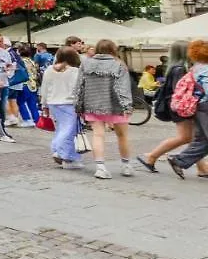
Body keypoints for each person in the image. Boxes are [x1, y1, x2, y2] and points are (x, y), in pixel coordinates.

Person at [138, 42, 208, 176]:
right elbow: (182, 91)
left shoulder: (179, 67)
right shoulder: (180, 69)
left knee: (196, 138)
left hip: (183, 105)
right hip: (183, 106)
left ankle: (200, 167)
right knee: (186, 137)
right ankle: (152, 156)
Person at [74, 38, 133, 180]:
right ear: (113, 49)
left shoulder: (86, 64)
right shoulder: (118, 65)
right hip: (116, 105)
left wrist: (78, 104)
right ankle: (126, 165)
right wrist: (127, 105)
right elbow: (123, 88)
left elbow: (79, 86)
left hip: (93, 103)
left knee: (97, 135)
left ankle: (100, 167)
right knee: (122, 135)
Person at [40, 46, 83, 169]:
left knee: (61, 128)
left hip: (53, 102)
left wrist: (44, 105)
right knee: (69, 130)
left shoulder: (49, 70)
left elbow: (45, 88)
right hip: (69, 103)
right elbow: (78, 90)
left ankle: (61, 151)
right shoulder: (75, 71)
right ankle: (64, 154)